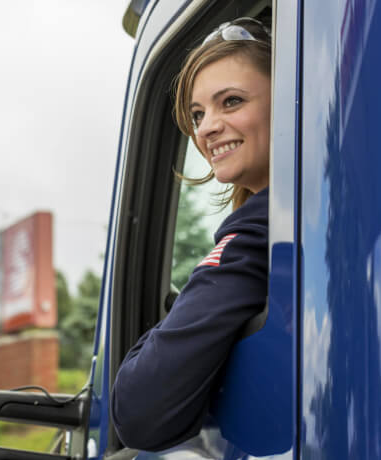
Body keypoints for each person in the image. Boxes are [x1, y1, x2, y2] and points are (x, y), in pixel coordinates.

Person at [110, 17, 272, 452]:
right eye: (198, 114)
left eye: (232, 101)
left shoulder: (260, 232)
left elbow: (139, 410)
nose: (205, 128)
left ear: (293, 103)